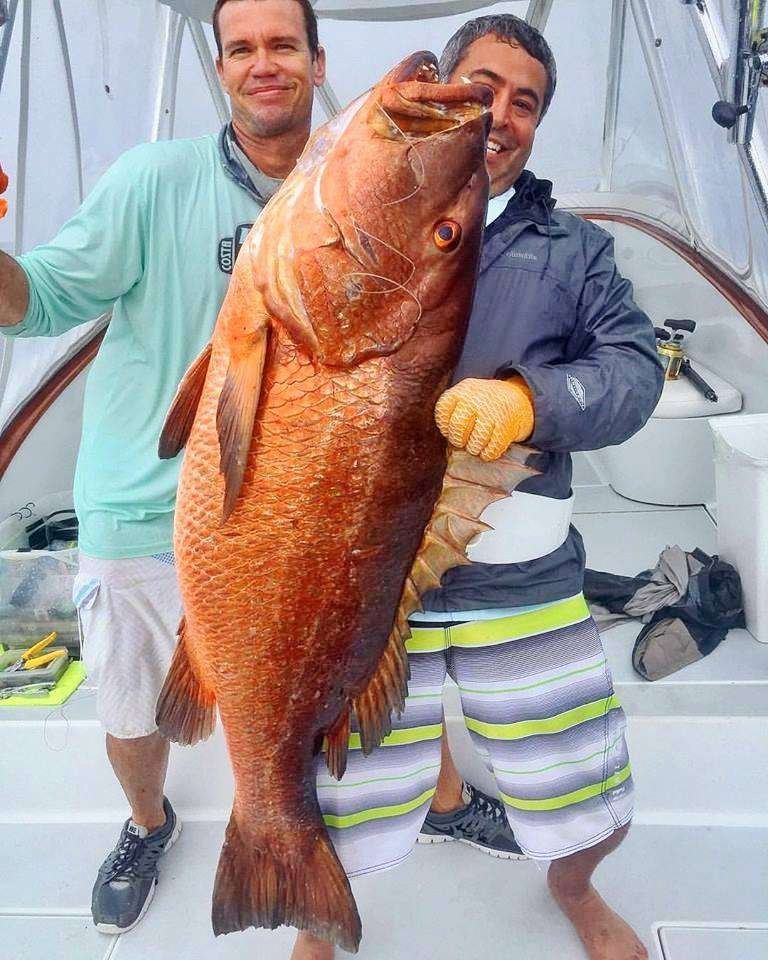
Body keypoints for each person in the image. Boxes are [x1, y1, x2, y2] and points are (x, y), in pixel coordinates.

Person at [303, 14, 662, 960]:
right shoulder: (357, 213)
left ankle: (574, 888)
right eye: (484, 87)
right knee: (333, 792)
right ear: (444, 92)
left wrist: (528, 400)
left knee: (588, 793)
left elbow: (633, 371)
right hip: (368, 581)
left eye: (526, 102)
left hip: (522, 577)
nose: (501, 114)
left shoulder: (574, 249)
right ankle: (319, 924)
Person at [0, 0, 326, 939]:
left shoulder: (344, 190)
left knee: (292, 696)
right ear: (220, 68)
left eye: (283, 44)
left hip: (283, 519)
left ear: (316, 60)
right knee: (133, 706)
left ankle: (293, 829)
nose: (263, 63)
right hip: (140, 512)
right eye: (242, 48)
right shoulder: (153, 180)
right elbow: (37, 301)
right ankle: (148, 823)